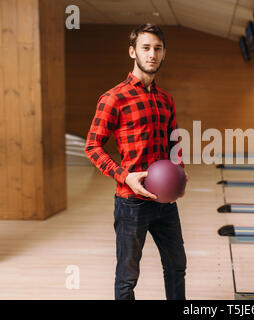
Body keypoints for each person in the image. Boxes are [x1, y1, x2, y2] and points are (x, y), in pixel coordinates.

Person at [84, 23, 187, 300]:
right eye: (145, 48)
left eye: (157, 48)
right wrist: (124, 175)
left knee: (177, 267)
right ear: (133, 52)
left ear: (164, 54)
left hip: (165, 203)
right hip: (131, 201)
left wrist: (180, 172)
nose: (152, 54)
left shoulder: (166, 100)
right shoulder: (113, 98)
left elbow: (173, 142)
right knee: (127, 278)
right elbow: (92, 147)